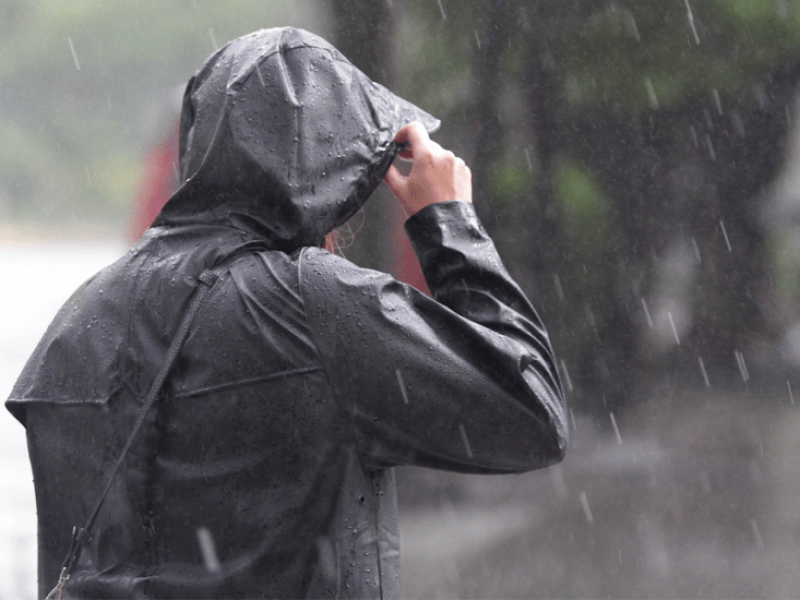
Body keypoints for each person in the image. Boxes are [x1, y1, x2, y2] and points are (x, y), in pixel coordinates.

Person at [6, 27, 566, 599]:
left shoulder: (77, 323)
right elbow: (532, 414)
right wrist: (448, 221)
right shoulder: (312, 305)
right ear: (330, 177)